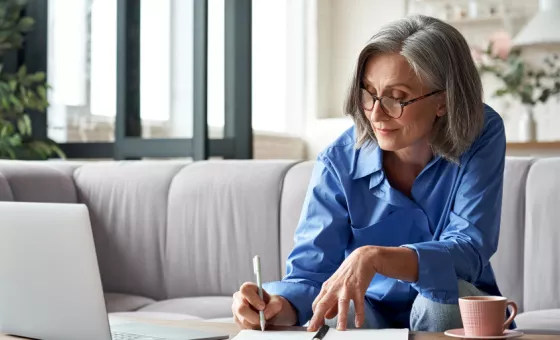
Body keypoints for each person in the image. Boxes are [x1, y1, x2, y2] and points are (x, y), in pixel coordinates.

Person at [232, 14, 508, 332]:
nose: (376, 114)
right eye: (368, 93)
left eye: (396, 98)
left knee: (439, 301)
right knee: (339, 313)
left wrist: (376, 257)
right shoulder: (338, 161)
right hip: (370, 308)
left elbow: (469, 248)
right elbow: (310, 275)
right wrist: (278, 306)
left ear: (443, 102)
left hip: (450, 303)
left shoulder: (481, 132)